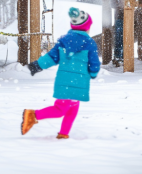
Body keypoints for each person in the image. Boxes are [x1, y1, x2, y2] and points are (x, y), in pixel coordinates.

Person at [22, 7, 100, 139]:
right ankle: (32, 115)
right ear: (87, 27)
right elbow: (94, 64)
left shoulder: (64, 41)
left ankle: (63, 134)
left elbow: (52, 57)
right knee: (60, 110)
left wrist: (37, 65)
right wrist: (93, 73)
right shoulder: (89, 43)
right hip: (79, 82)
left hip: (64, 81)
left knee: (72, 108)